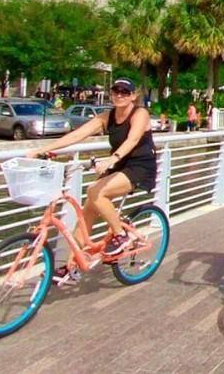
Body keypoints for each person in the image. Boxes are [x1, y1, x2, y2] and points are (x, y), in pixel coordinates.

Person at [26, 78, 157, 279]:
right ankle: (73, 264)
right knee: (88, 209)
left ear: (133, 96)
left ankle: (120, 235)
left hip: (140, 165)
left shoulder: (140, 113)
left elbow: (132, 139)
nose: (120, 95)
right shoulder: (106, 117)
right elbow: (77, 135)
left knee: (96, 191)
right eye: (116, 91)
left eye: (125, 92)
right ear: (111, 94)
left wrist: (111, 160)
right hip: (120, 164)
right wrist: (42, 150)